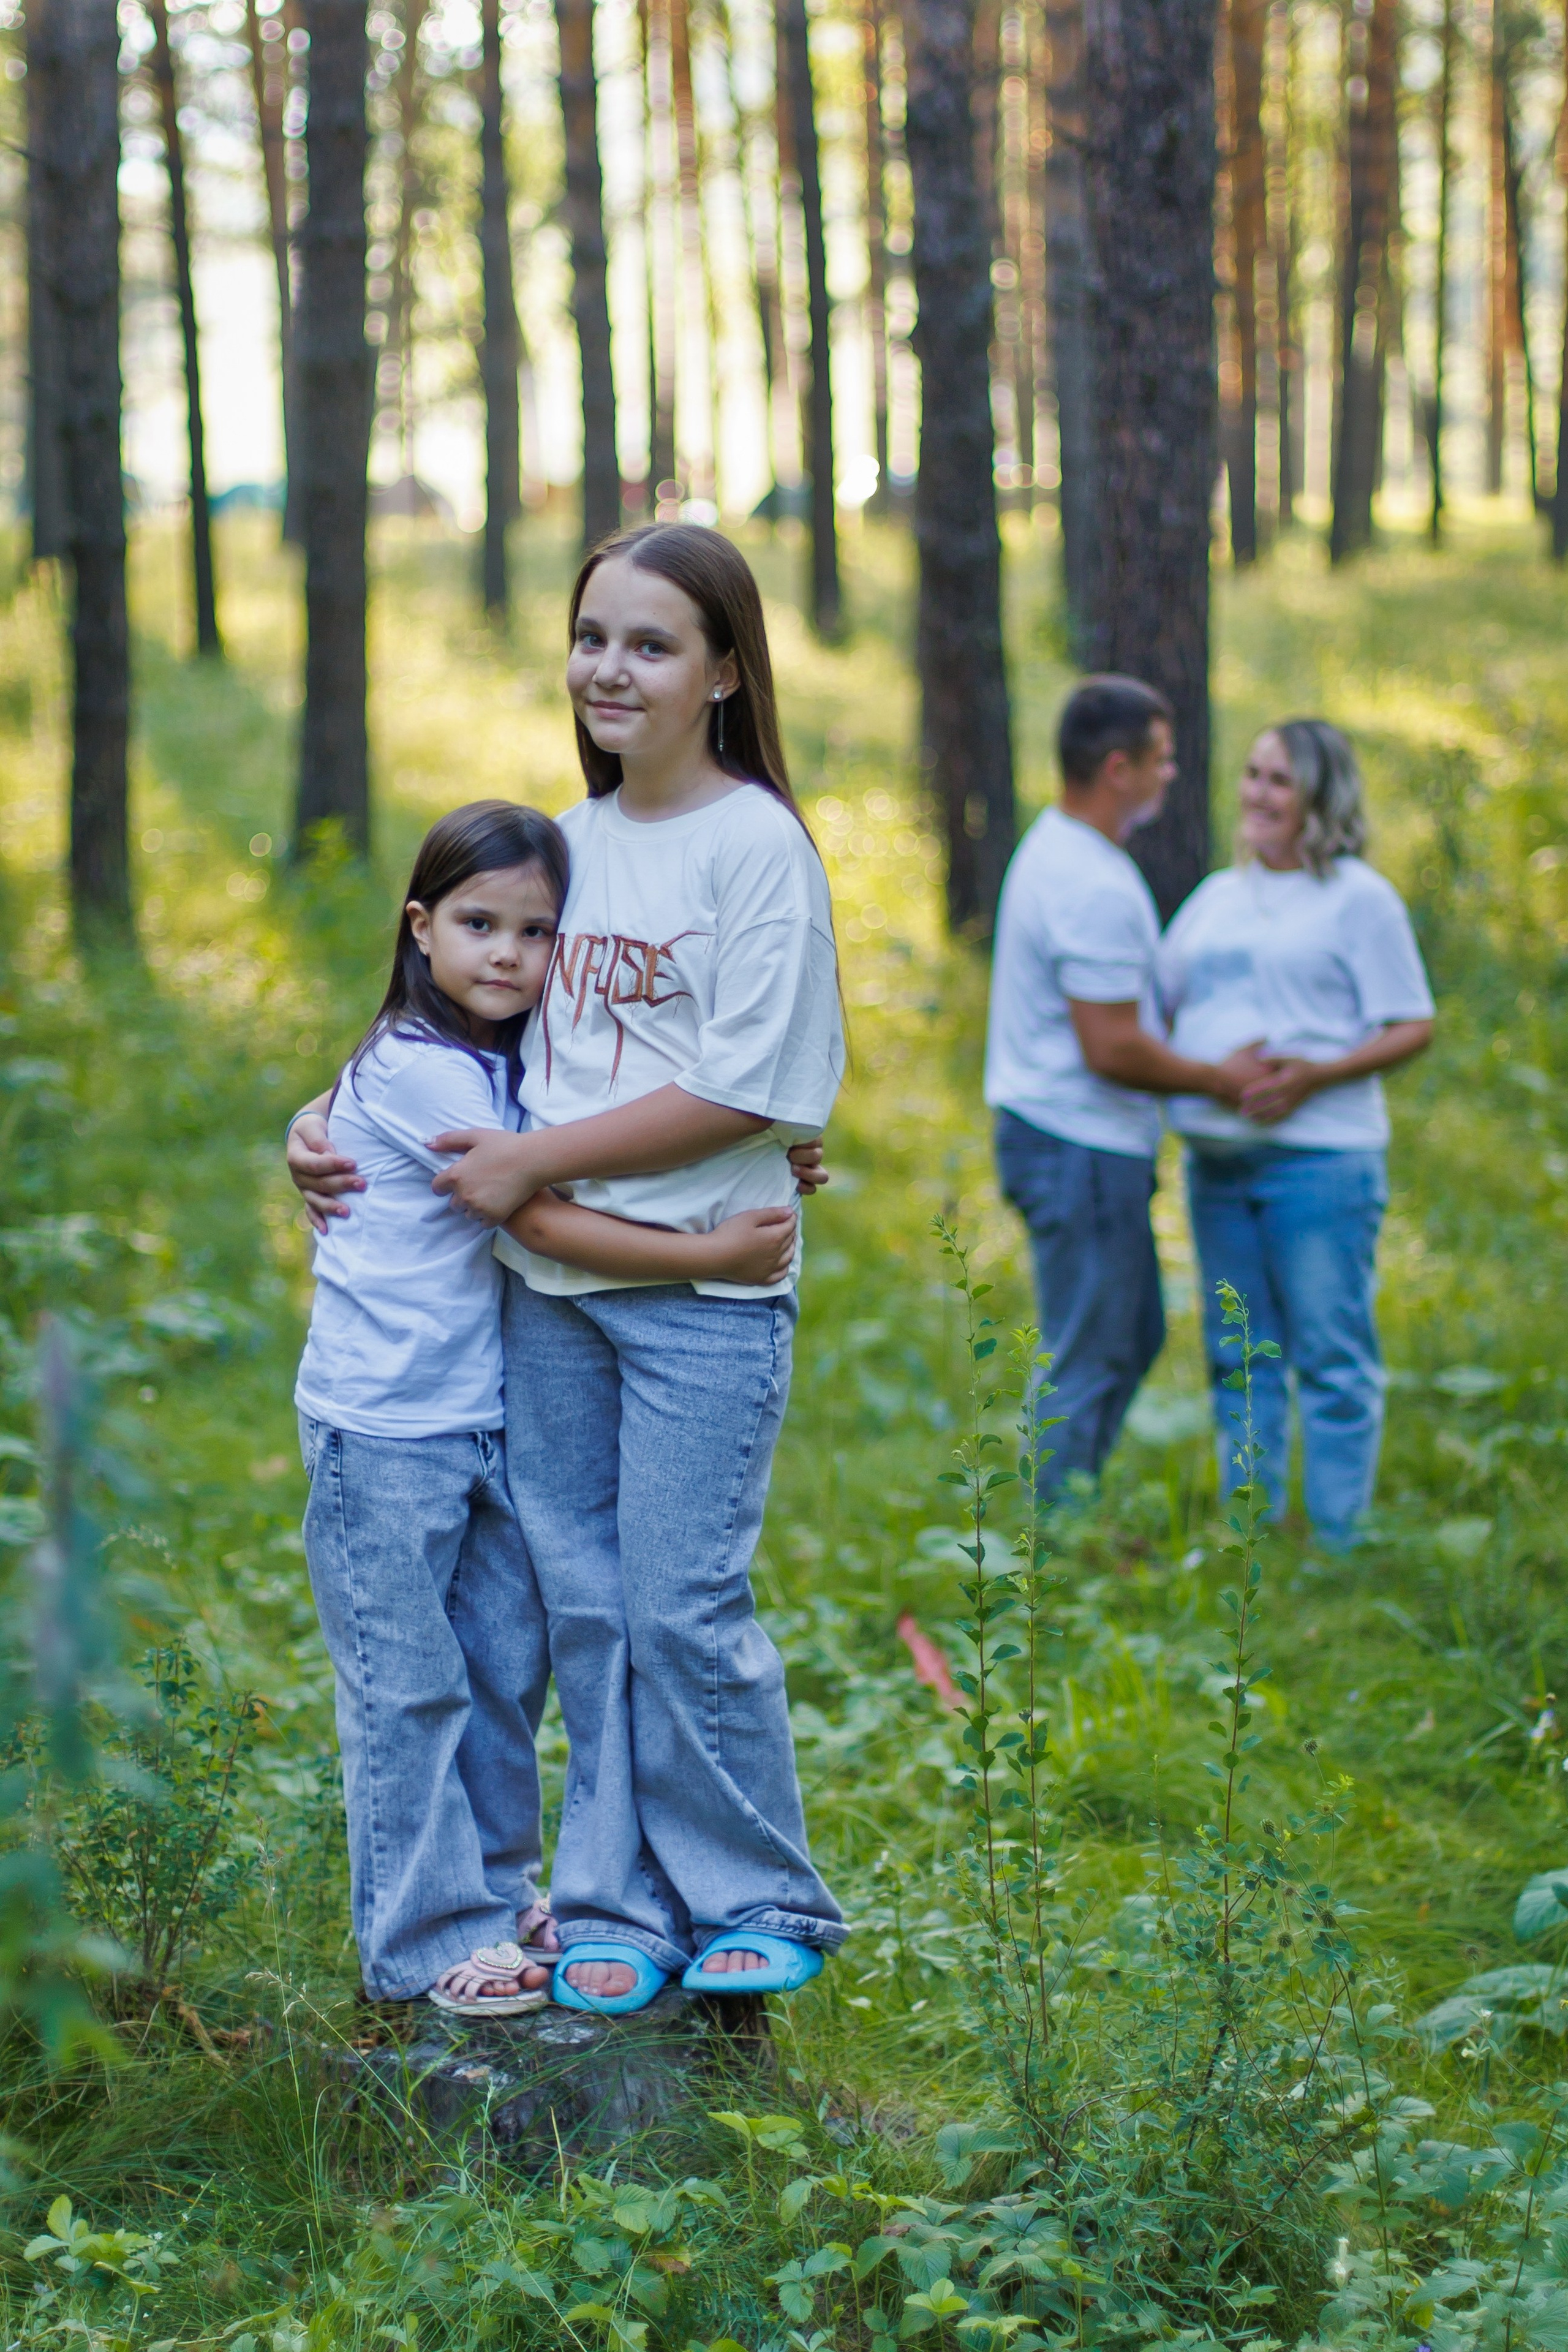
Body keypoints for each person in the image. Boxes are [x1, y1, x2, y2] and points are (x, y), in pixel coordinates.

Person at [290, 525, 846, 2018]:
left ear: (724, 672)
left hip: (701, 1299)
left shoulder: (754, 846)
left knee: (679, 1602)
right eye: (592, 633)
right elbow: (462, 1019)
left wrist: (538, 1166)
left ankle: (757, 1892)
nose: (611, 666)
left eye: (652, 642)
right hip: (549, 1307)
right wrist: (324, 1117)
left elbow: (754, 1087)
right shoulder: (563, 844)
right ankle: (611, 1899)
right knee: (582, 1606)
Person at [985, 675, 1273, 1496]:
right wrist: (1219, 1079)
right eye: (1162, 759)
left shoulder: (1065, 851)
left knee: (1133, 1328)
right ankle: (1048, 1541)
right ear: (1119, 768)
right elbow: (1110, 1046)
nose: (1171, 774)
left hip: (1076, 1140)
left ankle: (1069, 1501)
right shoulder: (1093, 883)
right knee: (1095, 1345)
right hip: (1077, 1143)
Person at [1158, 718, 1434, 1548]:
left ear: (1320, 794)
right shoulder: (1217, 897)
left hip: (1322, 1162)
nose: (1257, 794)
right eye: (1251, 774)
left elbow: (1412, 1024)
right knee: (1240, 1354)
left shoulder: (1359, 898)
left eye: (1279, 779)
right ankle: (1256, 1525)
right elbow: (1159, 1002)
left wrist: (1312, 1073)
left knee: (1331, 1351)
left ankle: (1340, 1539)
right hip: (1219, 1164)